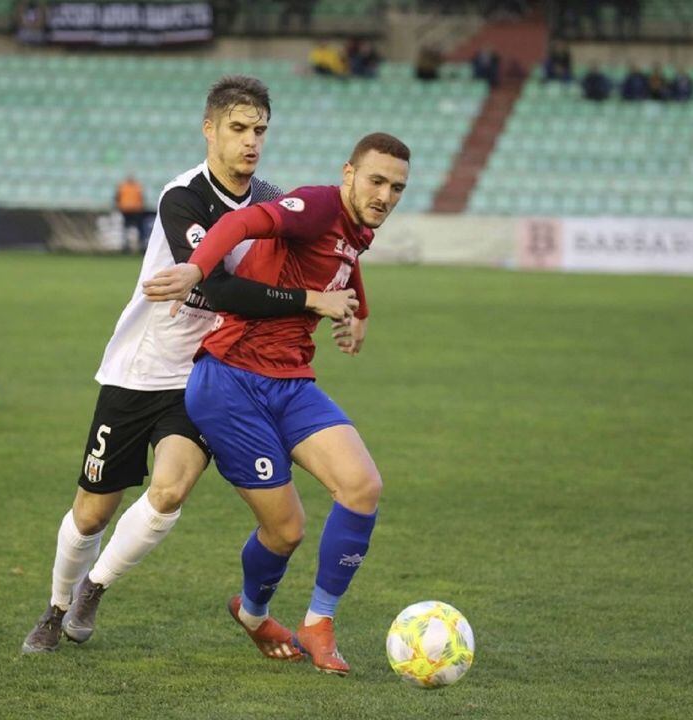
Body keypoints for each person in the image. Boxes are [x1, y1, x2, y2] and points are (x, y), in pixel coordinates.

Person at [20, 75, 358, 655]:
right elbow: (216, 289)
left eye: (260, 130)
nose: (251, 141)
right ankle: (55, 601)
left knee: (170, 491)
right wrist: (308, 301)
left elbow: (331, 247)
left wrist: (352, 306)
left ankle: (90, 593)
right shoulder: (184, 198)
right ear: (210, 129)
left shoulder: (274, 202)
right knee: (92, 510)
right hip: (138, 367)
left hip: (208, 373)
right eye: (238, 128)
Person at [142, 132, 411, 676]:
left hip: (291, 381)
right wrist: (197, 269)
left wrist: (359, 317)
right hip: (230, 381)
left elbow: (348, 261)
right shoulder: (315, 205)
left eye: (397, 187)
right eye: (376, 180)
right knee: (287, 531)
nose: (384, 195)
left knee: (362, 487)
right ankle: (253, 612)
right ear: (348, 174)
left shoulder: (357, 227)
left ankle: (319, 623)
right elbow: (241, 223)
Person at [115, 173, 146, 253]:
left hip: (134, 210)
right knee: (128, 229)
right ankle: (127, 245)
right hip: (128, 210)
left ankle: (139, 245)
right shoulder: (128, 186)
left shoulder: (132, 186)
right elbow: (117, 197)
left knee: (135, 229)